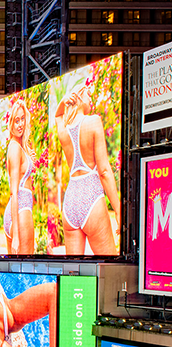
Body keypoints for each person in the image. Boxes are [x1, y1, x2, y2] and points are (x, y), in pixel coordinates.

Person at [53, 81, 121, 255]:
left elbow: (58, 116)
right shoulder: (94, 121)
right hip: (91, 197)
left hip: (70, 202)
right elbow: (104, 171)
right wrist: (118, 210)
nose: (91, 98)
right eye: (88, 94)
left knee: (73, 273)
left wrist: (63, 102)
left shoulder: (64, 132)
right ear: (80, 97)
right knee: (109, 266)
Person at [2, 100, 35, 254]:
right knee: (28, 267)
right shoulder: (14, 148)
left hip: (17, 212)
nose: (20, 124)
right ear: (11, 124)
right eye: (17, 120)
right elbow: (14, 192)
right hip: (20, 210)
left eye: (22, 119)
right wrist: (15, 234)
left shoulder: (18, 147)